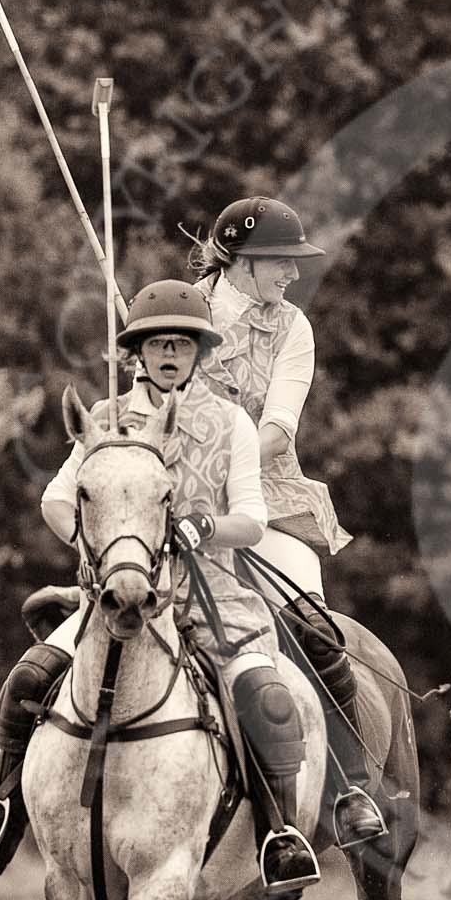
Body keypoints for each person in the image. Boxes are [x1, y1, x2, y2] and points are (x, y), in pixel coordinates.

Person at [0, 280, 321, 900]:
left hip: (213, 595)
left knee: (266, 698)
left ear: (200, 352)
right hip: (113, 596)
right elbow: (56, 498)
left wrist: (203, 526)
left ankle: (278, 836)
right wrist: (93, 546)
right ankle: (2, 806)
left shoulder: (231, 424)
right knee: (29, 680)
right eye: (155, 343)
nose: (168, 354)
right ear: (136, 353)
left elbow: (252, 518)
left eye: (181, 343)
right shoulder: (108, 420)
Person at [186, 195, 385, 851]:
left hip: (265, 502)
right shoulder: (182, 312)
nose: (292, 275)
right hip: (178, 504)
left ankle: (349, 787)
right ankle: (20, 787)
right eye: (282, 262)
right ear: (242, 260)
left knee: (313, 629)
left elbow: (277, 429)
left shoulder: (293, 327)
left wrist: (224, 467)